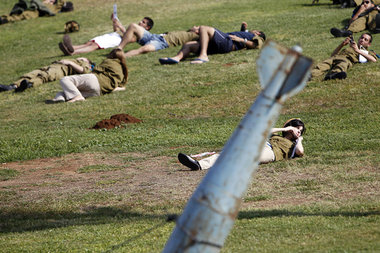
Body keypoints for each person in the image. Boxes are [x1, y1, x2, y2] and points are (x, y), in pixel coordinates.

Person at [177, 118, 306, 171]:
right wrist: (284, 130)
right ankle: (199, 165)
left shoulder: (293, 145)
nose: (298, 132)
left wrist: (299, 140)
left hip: (270, 152)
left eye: (300, 131)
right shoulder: (277, 135)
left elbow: (300, 152)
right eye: (296, 129)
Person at [158, 23, 266, 64]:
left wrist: (241, 40)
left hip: (227, 42)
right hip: (220, 45)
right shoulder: (247, 34)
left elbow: (257, 45)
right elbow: (243, 33)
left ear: (258, 33)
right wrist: (243, 30)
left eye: (255, 30)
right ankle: (177, 58)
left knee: (204, 28)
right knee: (189, 44)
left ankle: (203, 56)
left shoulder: (257, 37)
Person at [51, 48, 127, 103]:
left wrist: (71, 63)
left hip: (96, 81)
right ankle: (59, 99)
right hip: (98, 91)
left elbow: (89, 71)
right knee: (68, 91)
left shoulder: (110, 61)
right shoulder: (122, 70)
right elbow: (120, 87)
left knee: (65, 80)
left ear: (111, 55)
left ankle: (77, 97)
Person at [59, 15, 153, 56]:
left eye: (143, 22)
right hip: (112, 35)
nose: (140, 22)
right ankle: (70, 47)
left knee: (94, 46)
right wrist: (115, 22)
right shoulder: (134, 29)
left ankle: (72, 52)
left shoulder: (139, 34)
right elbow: (116, 31)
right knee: (89, 43)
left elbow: (129, 39)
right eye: (141, 20)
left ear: (147, 27)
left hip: (115, 40)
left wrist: (121, 26)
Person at [116, 18, 200, 57]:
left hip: (162, 42)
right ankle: (118, 49)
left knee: (145, 49)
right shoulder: (186, 32)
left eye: (197, 26)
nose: (194, 26)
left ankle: (119, 56)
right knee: (133, 25)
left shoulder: (196, 36)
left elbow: (207, 35)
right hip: (154, 36)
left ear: (198, 31)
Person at [0, 57, 93, 93]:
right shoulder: (74, 59)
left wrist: (70, 63)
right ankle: (12, 86)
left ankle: (29, 84)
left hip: (61, 70)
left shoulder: (83, 63)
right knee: (30, 74)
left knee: (44, 77)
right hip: (51, 66)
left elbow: (84, 71)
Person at [311, 33, 377, 80]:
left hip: (347, 60)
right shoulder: (350, 47)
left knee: (343, 64)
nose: (362, 40)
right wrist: (342, 45)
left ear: (369, 44)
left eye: (366, 39)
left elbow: (374, 60)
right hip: (336, 57)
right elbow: (333, 55)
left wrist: (357, 50)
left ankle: (334, 74)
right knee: (323, 64)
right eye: (361, 38)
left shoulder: (367, 52)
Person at [0, 0, 73, 25]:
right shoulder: (44, 2)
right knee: (19, 10)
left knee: (24, 15)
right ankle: (4, 17)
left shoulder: (54, 6)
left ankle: (4, 20)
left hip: (37, 11)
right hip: (32, 5)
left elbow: (65, 4)